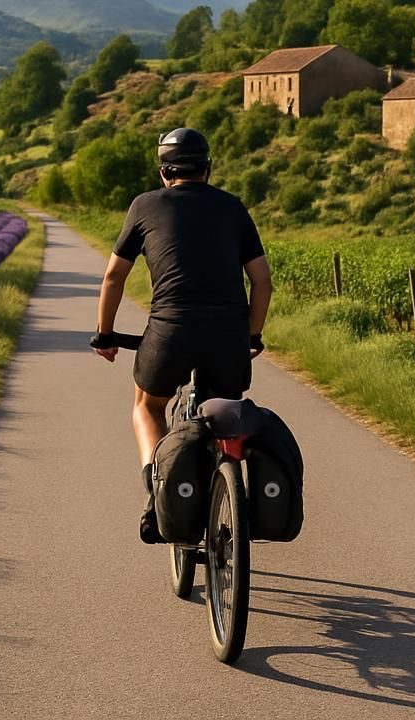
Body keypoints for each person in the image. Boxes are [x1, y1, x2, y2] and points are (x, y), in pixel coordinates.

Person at [91, 127, 272, 543]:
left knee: (147, 406)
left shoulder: (144, 206)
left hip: (170, 329)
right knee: (223, 410)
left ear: (163, 173)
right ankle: (224, 478)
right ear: (208, 169)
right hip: (228, 335)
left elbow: (114, 277)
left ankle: (159, 492)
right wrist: (251, 335)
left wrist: (105, 334)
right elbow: (261, 282)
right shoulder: (232, 207)